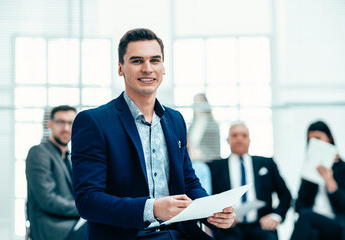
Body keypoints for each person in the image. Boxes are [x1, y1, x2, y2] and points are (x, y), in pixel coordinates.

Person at [70, 28, 235, 240]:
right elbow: (88, 201)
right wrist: (153, 208)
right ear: (120, 68)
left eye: (155, 60)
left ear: (163, 68)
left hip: (178, 234)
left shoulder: (175, 120)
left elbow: (189, 182)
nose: (147, 69)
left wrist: (211, 212)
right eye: (137, 61)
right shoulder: (94, 122)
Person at [207, 122, 292, 240]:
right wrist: (221, 218)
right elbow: (208, 198)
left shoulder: (266, 164)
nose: (239, 139)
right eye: (235, 135)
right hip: (229, 229)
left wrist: (276, 216)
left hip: (261, 226)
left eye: (244, 135)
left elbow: (285, 194)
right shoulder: (215, 167)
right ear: (228, 140)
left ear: (249, 140)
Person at [26, 105, 86, 240]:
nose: (66, 128)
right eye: (60, 122)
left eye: (71, 123)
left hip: (71, 223)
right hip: (53, 229)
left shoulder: (69, 157)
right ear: (49, 124)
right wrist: (84, 209)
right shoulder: (39, 152)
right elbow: (47, 199)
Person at [291, 120, 345, 240]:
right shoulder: (308, 171)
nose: (314, 143)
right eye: (310, 140)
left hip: (336, 223)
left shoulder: (342, 168)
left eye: (318, 138)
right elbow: (299, 205)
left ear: (329, 138)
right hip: (313, 222)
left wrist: (330, 182)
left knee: (306, 216)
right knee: (312, 232)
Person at [188, 93, 221, 162]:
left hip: (208, 161)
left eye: (200, 102)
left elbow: (215, 150)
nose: (197, 105)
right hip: (193, 160)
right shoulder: (192, 125)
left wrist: (201, 154)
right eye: (195, 102)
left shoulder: (213, 125)